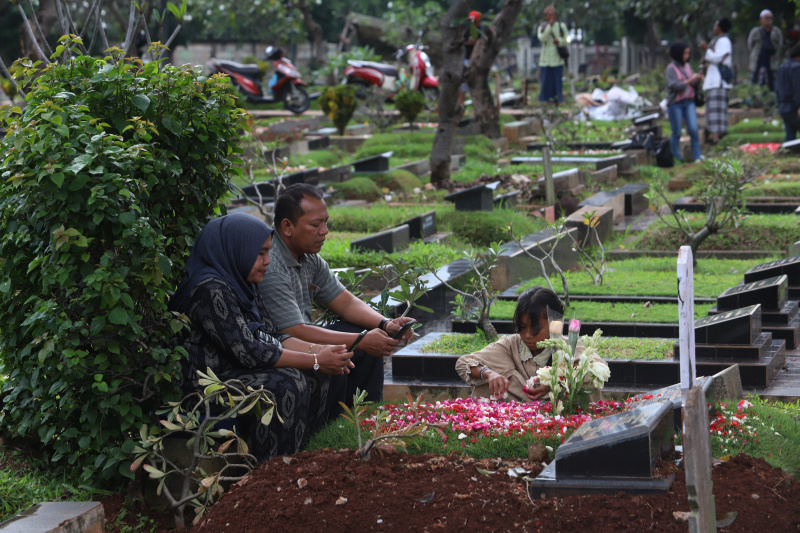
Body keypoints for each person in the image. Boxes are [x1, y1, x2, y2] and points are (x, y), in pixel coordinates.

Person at [168, 213, 354, 462]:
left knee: (321, 375)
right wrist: (316, 360)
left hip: (236, 371)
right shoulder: (210, 289)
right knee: (286, 384)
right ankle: (269, 470)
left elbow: (271, 335)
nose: (267, 261)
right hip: (205, 385)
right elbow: (250, 351)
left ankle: (310, 456)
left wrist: (323, 354)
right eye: (261, 253)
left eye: (268, 252)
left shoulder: (242, 283)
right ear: (237, 249)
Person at [259, 184, 416, 411]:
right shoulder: (271, 262)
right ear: (287, 226)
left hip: (300, 337)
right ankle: (335, 425)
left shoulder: (308, 256)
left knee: (361, 335)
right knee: (358, 343)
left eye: (325, 222)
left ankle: (364, 417)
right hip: (282, 347)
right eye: (315, 224)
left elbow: (344, 300)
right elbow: (294, 330)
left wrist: (386, 324)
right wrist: (361, 340)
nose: (325, 231)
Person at [455, 287, 608, 402]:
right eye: (522, 327)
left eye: (535, 329)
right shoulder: (511, 345)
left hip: (562, 423)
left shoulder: (568, 346)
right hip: (521, 423)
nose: (527, 335)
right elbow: (463, 363)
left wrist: (556, 382)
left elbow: (599, 371)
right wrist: (488, 373)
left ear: (555, 324)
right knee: (486, 383)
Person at [666, 42, 704, 163]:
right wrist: (690, 79)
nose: (687, 55)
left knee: (693, 129)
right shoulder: (670, 68)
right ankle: (677, 157)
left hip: (689, 102)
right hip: (675, 104)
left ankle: (697, 155)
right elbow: (674, 86)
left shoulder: (687, 66)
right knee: (677, 131)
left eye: (688, 53)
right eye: (685, 53)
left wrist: (697, 79)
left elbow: (693, 84)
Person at [700, 18, 734, 144]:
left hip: (718, 82)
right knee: (713, 111)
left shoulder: (724, 41)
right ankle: (715, 137)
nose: (714, 27)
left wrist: (706, 49)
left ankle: (716, 138)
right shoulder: (719, 41)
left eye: (715, 25)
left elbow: (718, 59)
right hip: (714, 82)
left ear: (720, 28)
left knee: (716, 112)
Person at [537, 5, 568, 104]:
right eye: (549, 15)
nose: (551, 17)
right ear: (545, 16)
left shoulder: (561, 26)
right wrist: (549, 27)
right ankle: (544, 103)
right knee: (545, 83)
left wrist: (559, 41)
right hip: (545, 61)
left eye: (553, 14)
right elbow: (542, 38)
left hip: (557, 60)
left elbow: (567, 39)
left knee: (557, 83)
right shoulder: (542, 27)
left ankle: (558, 102)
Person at [748, 9, 783, 91]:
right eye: (766, 18)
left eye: (770, 18)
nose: (769, 20)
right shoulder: (755, 31)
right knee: (754, 84)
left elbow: (780, 45)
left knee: (773, 86)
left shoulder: (776, 31)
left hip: (772, 63)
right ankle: (752, 102)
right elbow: (750, 45)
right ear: (761, 19)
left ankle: (773, 102)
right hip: (757, 63)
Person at [777, 43, 800, 141]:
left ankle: (788, 154)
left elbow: (778, 89)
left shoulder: (782, 67)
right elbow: (798, 88)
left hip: (784, 108)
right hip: (794, 108)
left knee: (790, 137)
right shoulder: (797, 67)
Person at [460, 10, 483, 106]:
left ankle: (476, 106)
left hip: (477, 61)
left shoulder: (481, 30)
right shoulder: (467, 30)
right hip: (467, 60)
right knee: (464, 85)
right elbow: (467, 42)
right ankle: (460, 105)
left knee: (476, 85)